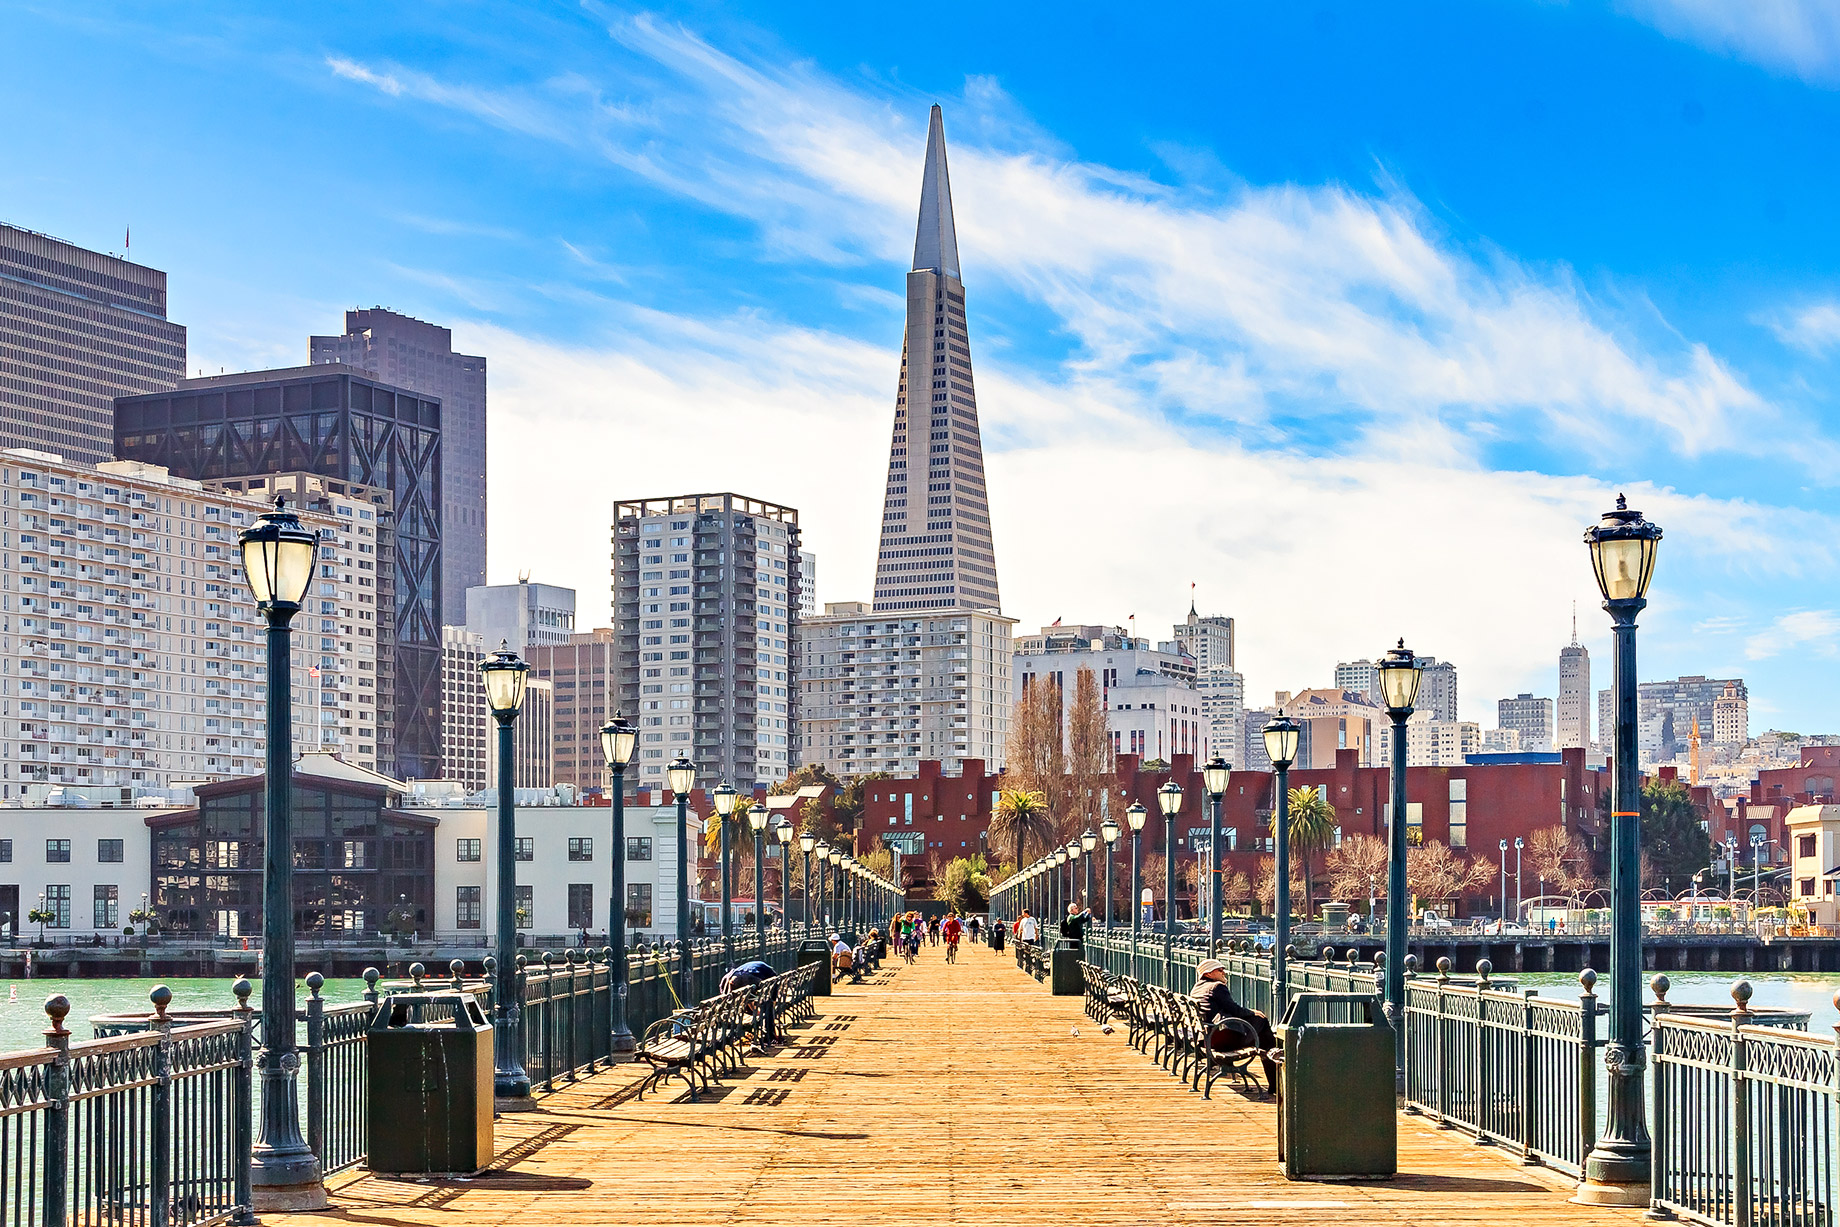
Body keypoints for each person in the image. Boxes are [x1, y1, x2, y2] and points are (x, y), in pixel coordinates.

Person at [1191, 959, 1279, 1094]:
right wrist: (1253, 1012)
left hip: (1206, 1038)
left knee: (1263, 1035)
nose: (1223, 973)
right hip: (1220, 1040)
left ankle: (1273, 1074)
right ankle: (1275, 1080)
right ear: (1208, 974)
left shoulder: (1197, 988)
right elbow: (1234, 1010)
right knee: (1263, 1025)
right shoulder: (1216, 987)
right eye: (1219, 970)